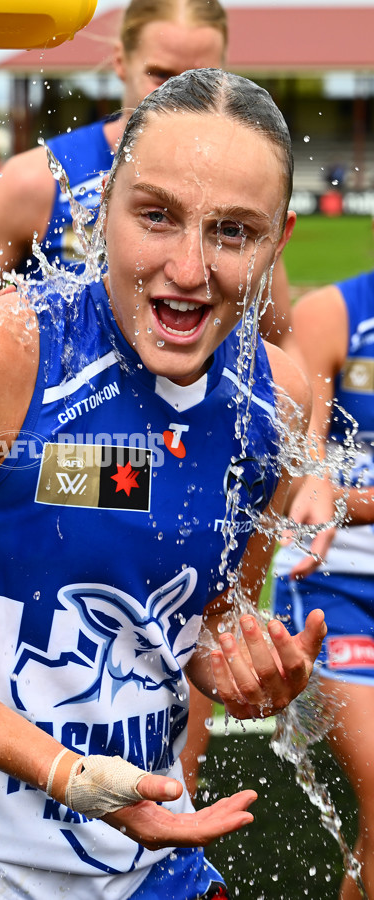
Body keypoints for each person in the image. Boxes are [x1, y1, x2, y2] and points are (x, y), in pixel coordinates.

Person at [0, 69, 325, 900]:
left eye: (233, 232)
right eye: (155, 216)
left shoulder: (275, 398)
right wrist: (63, 771)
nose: (188, 269)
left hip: (146, 858)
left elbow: (214, 610)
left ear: (279, 239)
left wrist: (239, 661)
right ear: (102, 207)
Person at [0, 0, 294, 354]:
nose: (181, 96)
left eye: (200, 79)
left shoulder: (240, 195)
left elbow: (275, 343)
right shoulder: (38, 179)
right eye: (162, 75)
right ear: (122, 62)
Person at [272, 260, 374, 899]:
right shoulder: (332, 315)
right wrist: (321, 489)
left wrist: (354, 498)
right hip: (334, 589)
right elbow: (302, 463)